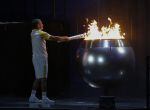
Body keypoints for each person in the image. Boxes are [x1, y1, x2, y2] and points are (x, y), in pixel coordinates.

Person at [29, 18, 86, 104]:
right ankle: (44, 97)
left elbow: (54, 39)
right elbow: (54, 38)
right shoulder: (41, 33)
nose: (42, 25)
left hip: (35, 58)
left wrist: (63, 39)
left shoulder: (33, 33)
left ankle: (32, 96)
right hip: (41, 58)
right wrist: (66, 38)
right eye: (41, 23)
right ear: (38, 25)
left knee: (38, 77)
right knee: (43, 78)